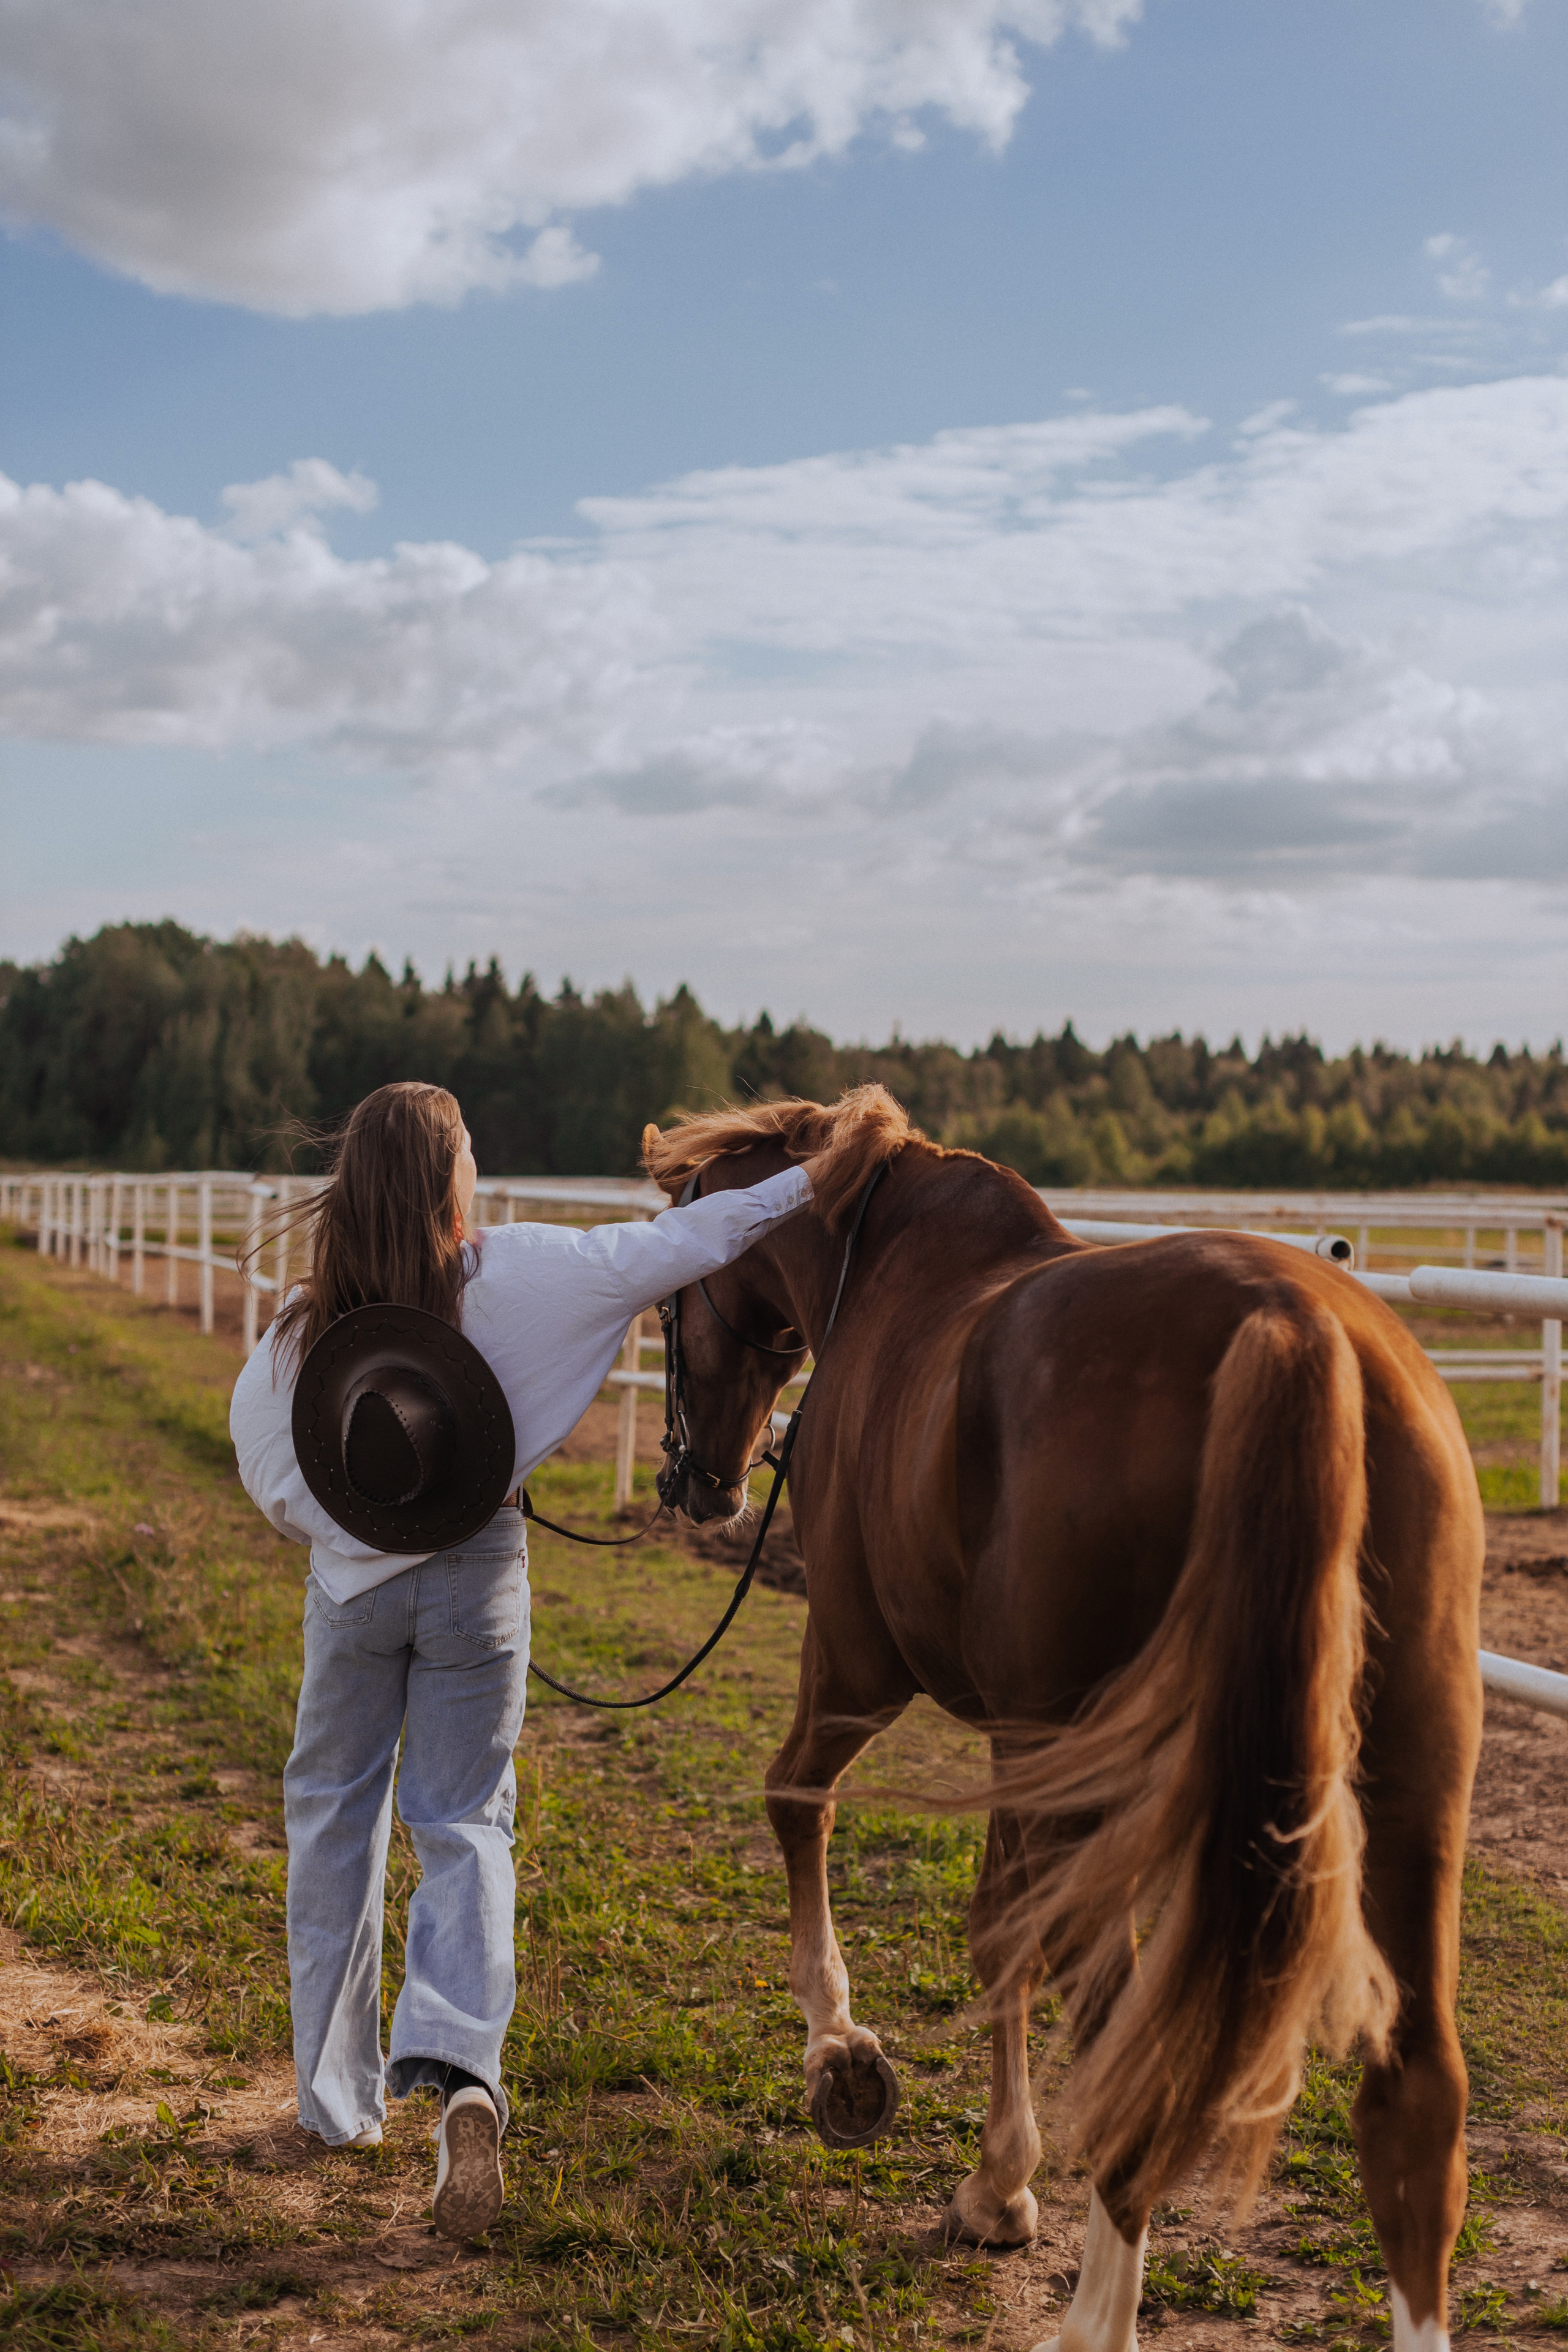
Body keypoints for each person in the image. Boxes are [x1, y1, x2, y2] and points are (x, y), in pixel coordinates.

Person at [229, 1080, 818, 2238]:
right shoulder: (531, 1274)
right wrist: (823, 1171)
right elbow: (693, 1237)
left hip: (351, 1595)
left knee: (331, 1818)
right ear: (454, 1182)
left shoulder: (305, 1330)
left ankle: (336, 2102)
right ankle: (461, 2073)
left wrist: (358, 1532)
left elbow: (271, 1473)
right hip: (480, 1579)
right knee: (465, 1821)